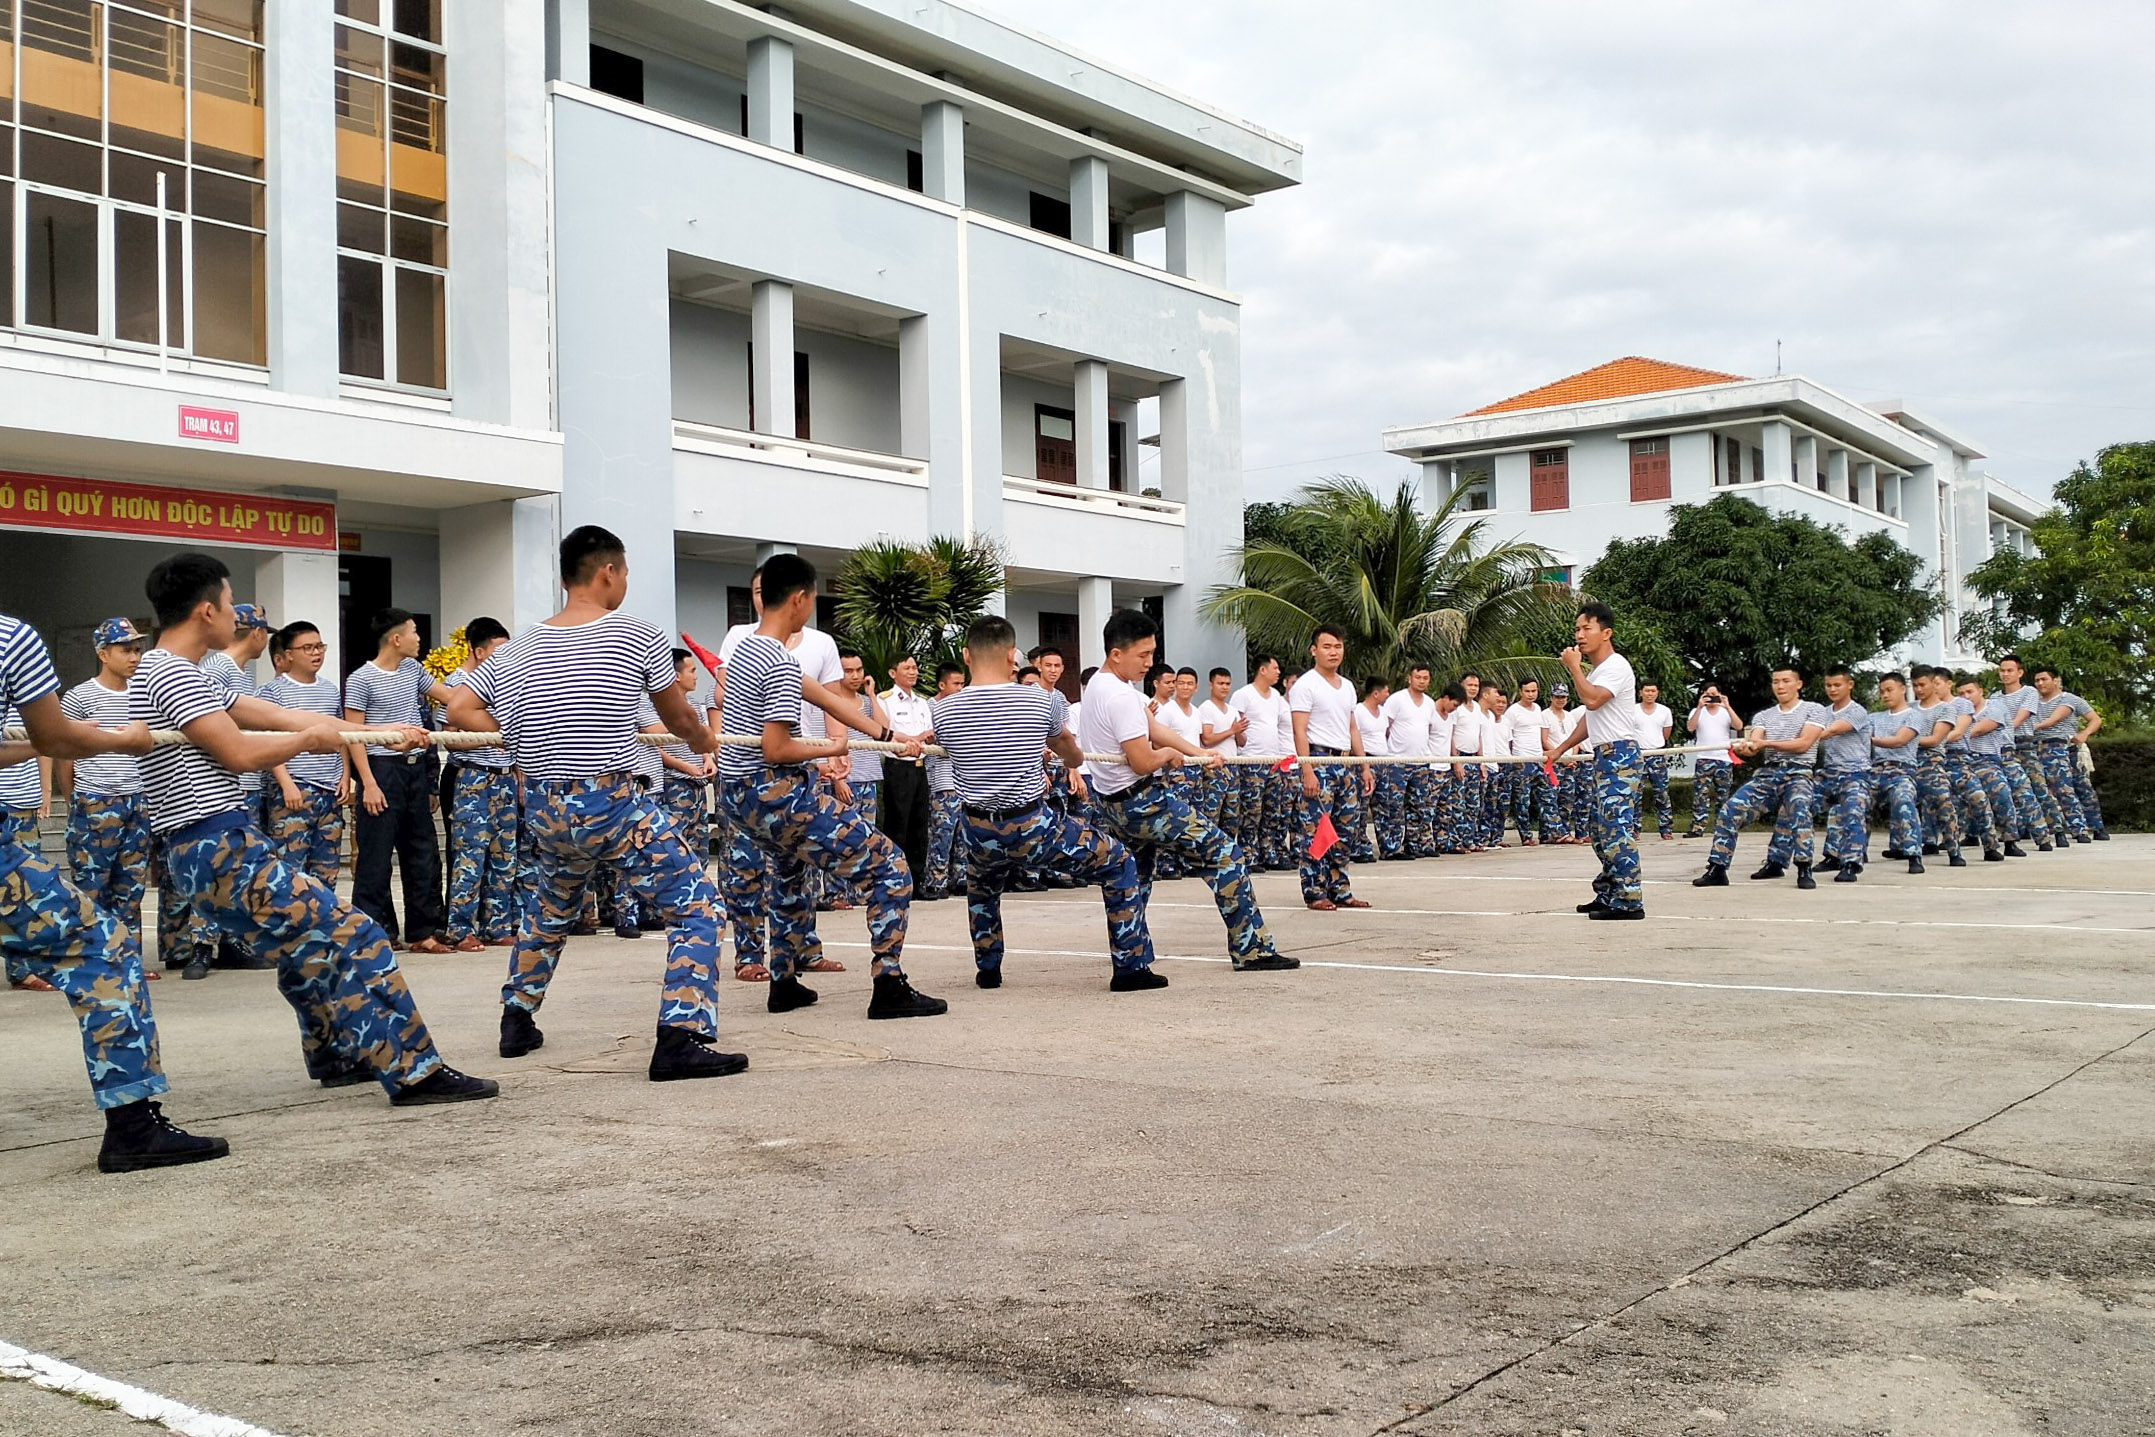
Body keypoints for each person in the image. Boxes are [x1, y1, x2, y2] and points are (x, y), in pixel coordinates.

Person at [135, 553, 497, 1105]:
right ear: (206, 610)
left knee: (305, 946)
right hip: (214, 844)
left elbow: (280, 717)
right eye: (230, 603)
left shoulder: (186, 672)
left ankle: (337, 1055)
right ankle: (414, 1071)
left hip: (218, 844)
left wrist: (381, 732)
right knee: (359, 934)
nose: (237, 615)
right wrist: (310, 743)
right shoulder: (171, 672)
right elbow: (238, 752)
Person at [442, 528, 741, 1075]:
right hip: (609, 803)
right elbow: (678, 717)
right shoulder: (636, 633)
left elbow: (459, 708)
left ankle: (517, 1018)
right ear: (608, 571)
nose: (625, 582)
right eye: (624, 572)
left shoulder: (518, 648)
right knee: (699, 905)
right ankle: (680, 1038)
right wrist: (704, 740)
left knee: (551, 908)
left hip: (545, 809)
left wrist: (520, 728)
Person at [1, 606, 232, 1170]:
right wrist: (120, 740)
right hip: (93, 807)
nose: (133, 653)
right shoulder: (10, 638)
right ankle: (132, 1127)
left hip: (129, 807)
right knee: (102, 946)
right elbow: (55, 735)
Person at [716, 552, 944, 1019]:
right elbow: (777, 748)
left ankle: (783, 982)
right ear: (800, 599)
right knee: (891, 866)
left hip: (741, 799)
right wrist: (830, 749)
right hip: (777, 793)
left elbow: (827, 699)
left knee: (788, 872)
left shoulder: (746, 651)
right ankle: (889, 985)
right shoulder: (777, 661)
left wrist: (888, 737)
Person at [930, 616, 1162, 992]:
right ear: (1013, 655)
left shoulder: (943, 710)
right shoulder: (1042, 700)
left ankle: (988, 969)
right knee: (1119, 861)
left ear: (966, 656)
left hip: (978, 828)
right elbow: (1071, 754)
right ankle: (1130, 968)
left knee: (982, 884)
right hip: (1031, 826)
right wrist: (1063, 753)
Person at [1081, 609, 1295, 971]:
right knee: (1226, 855)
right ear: (1116, 653)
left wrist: (1199, 753)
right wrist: (1167, 756)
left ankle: (1131, 964)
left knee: (1134, 877)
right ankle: (1252, 950)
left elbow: (1153, 728)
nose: (1150, 663)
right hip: (1142, 803)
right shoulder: (1119, 695)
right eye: (1143, 655)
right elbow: (1142, 760)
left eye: (1152, 653)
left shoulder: (1102, 686)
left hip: (1113, 805)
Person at [344, 607, 450, 953]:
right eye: (414, 632)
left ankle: (423, 932)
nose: (419, 638)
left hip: (414, 769)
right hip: (381, 769)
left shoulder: (413, 670)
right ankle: (375, 932)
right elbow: (354, 735)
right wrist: (369, 783)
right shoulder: (361, 679)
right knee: (375, 857)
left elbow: (449, 696)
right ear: (396, 638)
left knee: (422, 852)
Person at [57, 619, 156, 982]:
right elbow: (64, 754)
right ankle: (91, 962)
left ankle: (128, 962)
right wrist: (75, 800)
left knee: (131, 888)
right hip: (95, 800)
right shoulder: (79, 697)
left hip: (136, 801)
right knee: (90, 889)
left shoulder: (144, 696)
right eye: (125, 649)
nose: (134, 657)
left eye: (137, 649)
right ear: (102, 654)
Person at [426, 618, 518, 950]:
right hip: (472, 776)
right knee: (469, 855)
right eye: (499, 650)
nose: (506, 657)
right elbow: (449, 740)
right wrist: (492, 739)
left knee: (504, 855)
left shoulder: (507, 684)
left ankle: (497, 924)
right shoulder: (458, 685)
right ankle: (460, 927)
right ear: (478, 651)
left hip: (505, 777)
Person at [1550, 605, 1647, 918]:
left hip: (1620, 755)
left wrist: (1573, 668)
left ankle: (1630, 901)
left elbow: (1591, 700)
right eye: (1577, 629)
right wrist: (1561, 748)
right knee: (1599, 827)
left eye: (1586, 628)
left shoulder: (1616, 666)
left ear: (1606, 633)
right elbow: (1590, 719)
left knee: (1616, 827)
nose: (1579, 635)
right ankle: (1609, 893)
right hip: (1605, 755)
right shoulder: (1597, 672)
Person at [1692, 668, 1827, 890]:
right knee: (1730, 810)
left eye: (1786, 681)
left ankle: (1804, 868)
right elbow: (1754, 745)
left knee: (1800, 809)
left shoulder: (1814, 710)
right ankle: (1717, 869)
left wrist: (1765, 743)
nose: (1780, 686)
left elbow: (1804, 744)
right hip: (1768, 774)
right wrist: (1744, 748)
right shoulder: (1763, 716)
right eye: (1776, 681)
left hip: (1799, 773)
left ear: (1799, 684)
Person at [256, 622, 353, 895]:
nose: (316, 653)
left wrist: (345, 775)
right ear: (288, 655)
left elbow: (341, 736)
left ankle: (321, 921)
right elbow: (269, 741)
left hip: (329, 791)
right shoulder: (272, 692)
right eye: (308, 648)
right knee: (289, 870)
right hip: (294, 790)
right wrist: (286, 784)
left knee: (326, 872)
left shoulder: (330, 689)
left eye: (320, 646)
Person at [1291, 626, 1374, 910]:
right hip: (1318, 760)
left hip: (1345, 763)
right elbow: (1299, 730)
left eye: (1338, 646)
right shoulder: (1306, 685)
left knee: (1346, 829)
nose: (1333, 652)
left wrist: (1364, 766)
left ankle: (1340, 888)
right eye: (1327, 646)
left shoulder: (1347, 686)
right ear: (1314, 650)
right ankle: (1315, 891)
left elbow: (1353, 728)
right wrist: (1307, 770)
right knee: (1316, 830)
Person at [1807, 668, 1875, 882]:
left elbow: (1831, 730)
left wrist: (1803, 738)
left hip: (1855, 773)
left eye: (1837, 685)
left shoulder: (1857, 711)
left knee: (1852, 813)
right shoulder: (1822, 712)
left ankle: (1851, 864)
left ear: (1849, 685)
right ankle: (1779, 860)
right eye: (1828, 685)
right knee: (1797, 804)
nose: (1832, 689)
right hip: (1829, 773)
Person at [1996, 654, 2065, 848]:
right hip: (2003, 747)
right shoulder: (1995, 697)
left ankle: (2057, 829)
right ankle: (2016, 830)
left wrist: (2001, 728)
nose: (2005, 674)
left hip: (2024, 745)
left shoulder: (2029, 693)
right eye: (2002, 670)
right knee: (2009, 792)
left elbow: (2019, 718)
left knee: (2039, 788)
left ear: (2020, 672)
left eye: (2010, 670)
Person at [2031, 666, 2107, 841]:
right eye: (2037, 680)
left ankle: (2094, 827)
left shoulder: (2069, 699)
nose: (2040, 683)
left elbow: (2095, 719)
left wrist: (2084, 734)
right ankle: (2075, 828)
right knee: (2055, 789)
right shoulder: (2033, 703)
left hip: (2067, 746)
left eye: (2044, 679)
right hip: (2042, 747)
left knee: (2081, 788)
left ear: (2055, 680)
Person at [1228, 657, 1289, 871]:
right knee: (1251, 810)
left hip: (1273, 760)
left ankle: (1268, 851)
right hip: (1252, 760)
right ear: (1262, 670)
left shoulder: (1276, 697)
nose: (1278, 672)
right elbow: (1237, 726)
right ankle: (1248, 853)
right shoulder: (1243, 695)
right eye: (1275, 668)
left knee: (1273, 809)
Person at [1958, 676, 2028, 860]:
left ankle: (2010, 841)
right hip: (1963, 760)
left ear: (1981, 691)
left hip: (1986, 760)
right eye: (1961, 694)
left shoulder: (1995, 708)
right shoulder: (1956, 711)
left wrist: (1949, 733)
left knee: (2002, 795)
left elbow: (1977, 730)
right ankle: (1944, 840)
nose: (1966, 697)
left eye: (1970, 692)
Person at [1910, 667, 1973, 868]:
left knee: (1943, 803)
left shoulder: (1946, 709)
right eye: (1915, 686)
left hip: (1932, 763)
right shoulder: (1910, 709)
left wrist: (1903, 738)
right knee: (1904, 806)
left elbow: (1935, 739)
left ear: (1933, 683)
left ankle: (1954, 850)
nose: (1919, 689)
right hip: (1908, 761)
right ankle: (1908, 850)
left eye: (1922, 684)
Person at [879, 655, 934, 882]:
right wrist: (916, 739)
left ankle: (918, 880)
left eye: (915, 667)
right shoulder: (885, 700)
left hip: (920, 767)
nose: (913, 672)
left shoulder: (922, 702)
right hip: (898, 768)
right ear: (893, 673)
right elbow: (885, 734)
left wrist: (922, 739)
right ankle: (896, 879)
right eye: (907, 668)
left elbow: (929, 733)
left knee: (919, 826)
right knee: (897, 825)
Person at [1865, 673, 1926, 873]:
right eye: (1882, 691)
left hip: (1902, 769)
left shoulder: (1913, 715)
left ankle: (1913, 854)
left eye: (1889, 690)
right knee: (1856, 799)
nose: (1885, 695)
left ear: (1902, 689)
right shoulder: (1874, 717)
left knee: (1904, 800)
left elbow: (1900, 740)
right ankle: (1854, 852)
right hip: (1876, 769)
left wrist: (1872, 740)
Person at [1379, 663, 1440, 858]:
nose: (1421, 681)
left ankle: (1413, 844)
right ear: (1410, 678)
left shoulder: (1429, 703)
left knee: (1418, 806)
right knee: (1394, 806)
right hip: (1397, 761)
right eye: (1418, 677)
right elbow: (1385, 727)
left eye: (1425, 678)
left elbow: (1428, 730)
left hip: (1421, 762)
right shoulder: (1397, 699)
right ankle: (1391, 848)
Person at [1196, 666, 1246, 843]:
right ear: (1211, 684)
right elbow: (1207, 739)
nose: (1224, 687)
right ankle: (1211, 849)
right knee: (1212, 814)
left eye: (1227, 684)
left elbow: (1242, 742)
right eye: (1220, 683)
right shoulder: (1206, 708)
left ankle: (1228, 850)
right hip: (1214, 769)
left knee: (1232, 816)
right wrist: (1231, 730)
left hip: (1233, 768)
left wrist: (1238, 732)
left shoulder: (1232, 710)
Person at [1684, 684, 1739, 838]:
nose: (1711, 698)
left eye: (1714, 694)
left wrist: (1727, 706)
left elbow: (1738, 725)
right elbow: (1690, 728)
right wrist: (1700, 707)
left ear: (1720, 694)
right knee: (1700, 795)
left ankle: (1723, 827)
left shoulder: (1725, 712)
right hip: (1703, 758)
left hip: (1723, 758)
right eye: (1708, 694)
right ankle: (1697, 827)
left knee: (1724, 795)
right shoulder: (1697, 711)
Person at [1355, 677, 1397, 861]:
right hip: (1366, 761)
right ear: (1375, 693)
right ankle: (1360, 848)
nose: (1388, 695)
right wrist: (1363, 765)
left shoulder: (1383, 712)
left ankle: (1389, 847)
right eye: (1386, 691)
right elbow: (1354, 736)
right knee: (1361, 807)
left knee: (1384, 805)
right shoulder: (1359, 711)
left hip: (1382, 761)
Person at [1504, 677, 1549, 846]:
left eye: (1534, 691)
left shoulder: (1538, 709)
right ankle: (1526, 836)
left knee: (1546, 798)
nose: (1531, 694)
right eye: (1527, 691)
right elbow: (1508, 738)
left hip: (1538, 759)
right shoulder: (1513, 711)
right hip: (1521, 760)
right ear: (1521, 692)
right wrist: (1512, 759)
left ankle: (1548, 833)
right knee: (1522, 801)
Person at [1633, 682, 1677, 840]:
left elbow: (1666, 733)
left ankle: (1666, 829)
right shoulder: (1632, 710)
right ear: (1640, 693)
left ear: (1657, 693)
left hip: (1658, 754)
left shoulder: (1664, 711)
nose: (1650, 694)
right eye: (1647, 691)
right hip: (1638, 755)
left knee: (1662, 793)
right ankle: (1634, 829)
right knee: (1635, 794)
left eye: (1653, 691)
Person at [1536, 683, 1576, 844]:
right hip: (1553, 763)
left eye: (1563, 697)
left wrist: (1572, 757)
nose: (1560, 700)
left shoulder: (1569, 716)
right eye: (1557, 696)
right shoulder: (1545, 715)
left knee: (1567, 799)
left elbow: (1575, 740)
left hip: (1569, 763)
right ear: (1551, 697)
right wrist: (1559, 755)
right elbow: (1544, 740)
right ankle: (1550, 833)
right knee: (1550, 797)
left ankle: (1563, 831)